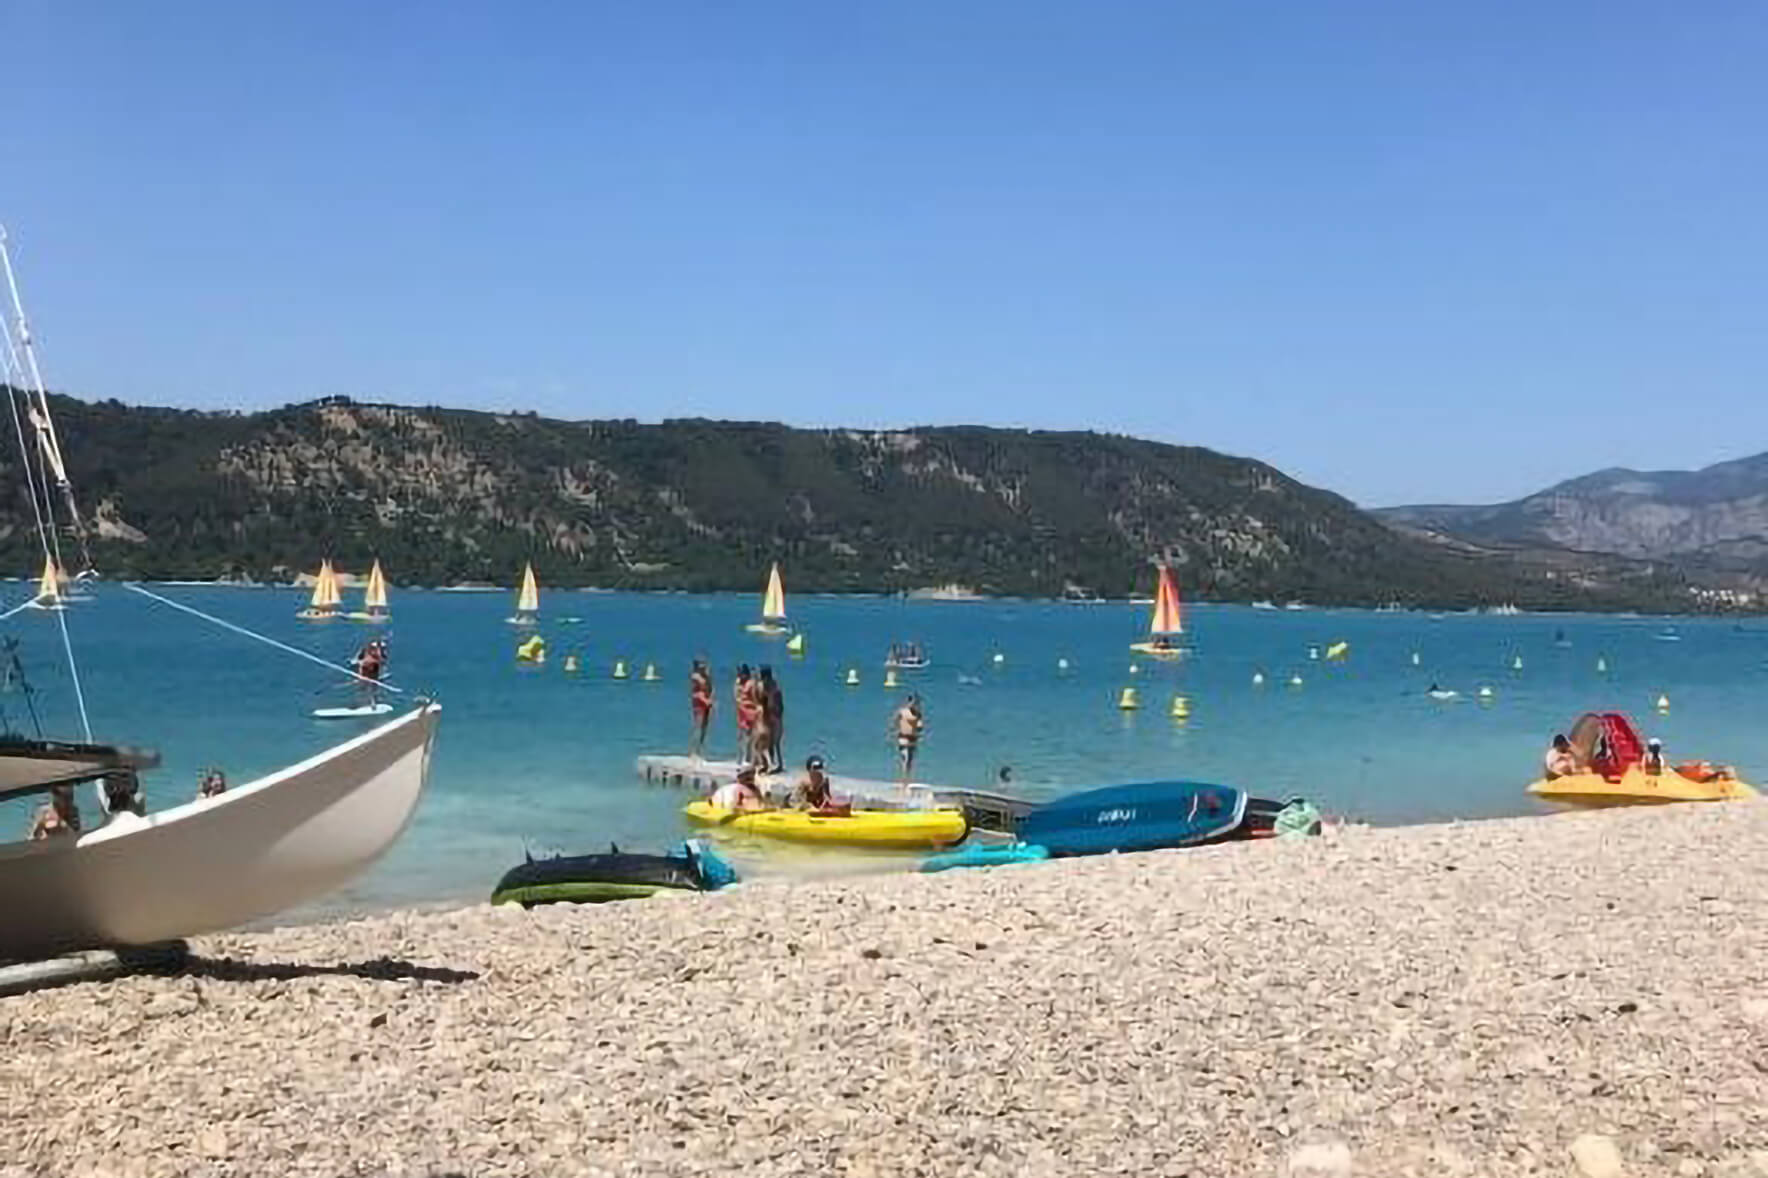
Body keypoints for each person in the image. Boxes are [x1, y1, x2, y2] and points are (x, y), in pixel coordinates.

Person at [893, 694, 925, 787]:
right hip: (903, 737)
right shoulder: (902, 712)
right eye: (912, 702)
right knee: (905, 758)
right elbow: (895, 721)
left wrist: (919, 727)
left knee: (909, 761)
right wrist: (895, 732)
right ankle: (903, 781)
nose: (914, 704)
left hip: (913, 738)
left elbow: (920, 726)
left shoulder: (917, 714)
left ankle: (906, 780)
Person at [759, 666, 784, 773]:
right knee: (768, 742)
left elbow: (779, 706)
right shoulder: (766, 687)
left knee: (775, 742)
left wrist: (775, 715)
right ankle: (770, 763)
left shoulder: (774, 689)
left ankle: (776, 764)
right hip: (768, 717)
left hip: (774, 717)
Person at [689, 659, 714, 760]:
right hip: (699, 701)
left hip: (707, 701)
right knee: (698, 726)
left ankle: (701, 750)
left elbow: (711, 689)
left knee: (705, 727)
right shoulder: (695, 677)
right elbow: (695, 692)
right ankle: (694, 751)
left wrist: (710, 700)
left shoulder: (706, 677)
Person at [733, 665, 756, 759]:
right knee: (742, 735)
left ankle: (748, 756)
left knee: (750, 735)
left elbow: (755, 697)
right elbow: (736, 697)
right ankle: (741, 756)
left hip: (751, 711)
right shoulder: (738, 683)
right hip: (742, 711)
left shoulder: (751, 683)